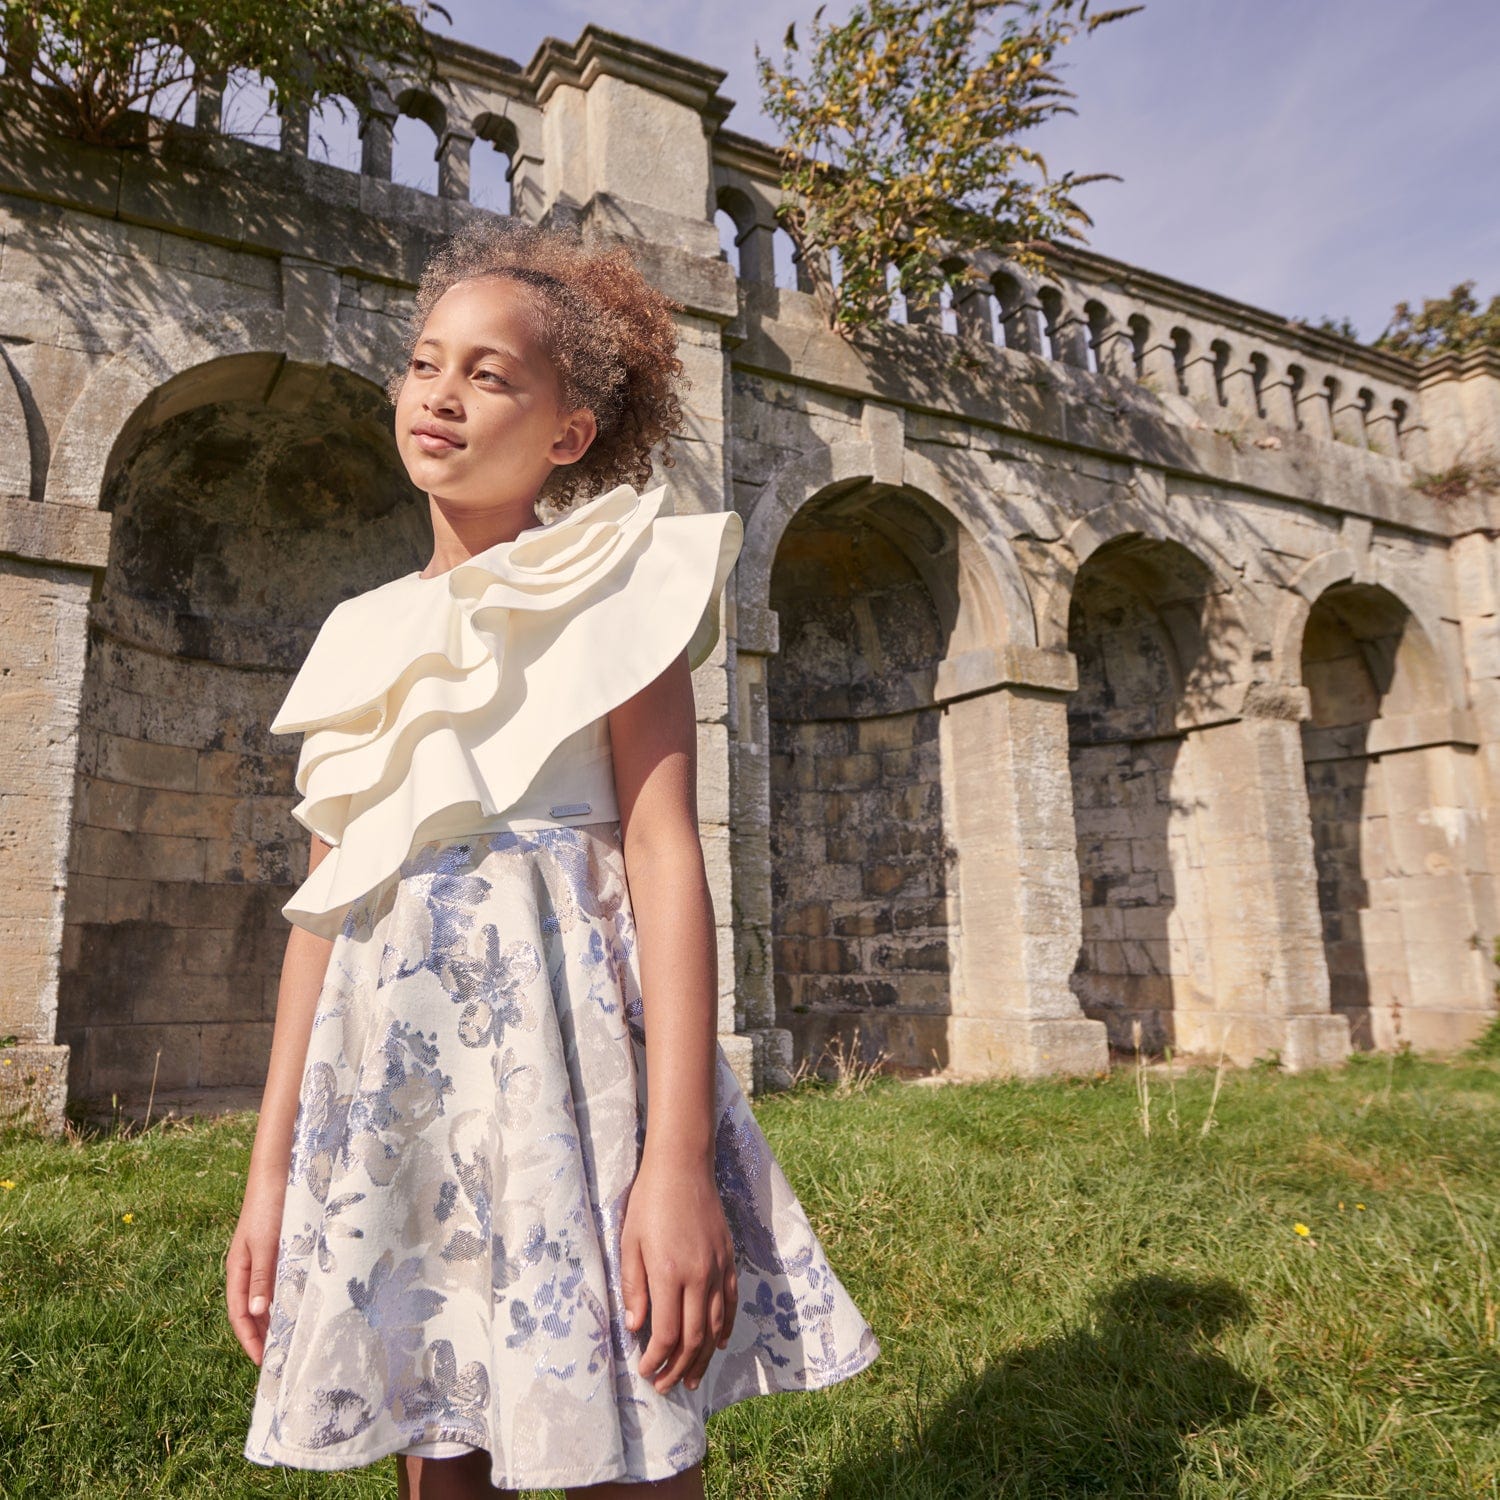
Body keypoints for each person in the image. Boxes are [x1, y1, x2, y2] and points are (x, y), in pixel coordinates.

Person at [225, 218, 878, 1499]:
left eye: (489, 374)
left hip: (577, 1079)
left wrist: (674, 1163)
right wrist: (272, 1170)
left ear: (569, 432)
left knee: (623, 1416)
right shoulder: (358, 635)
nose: (440, 394)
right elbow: (322, 916)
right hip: (399, 1090)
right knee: (440, 1431)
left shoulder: (617, 581)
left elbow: (665, 856)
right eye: (425, 363)